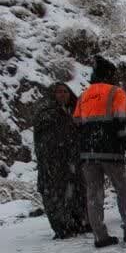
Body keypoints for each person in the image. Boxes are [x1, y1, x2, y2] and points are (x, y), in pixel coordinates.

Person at [73, 56, 126, 248]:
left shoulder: (83, 96)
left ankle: (100, 236)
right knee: (122, 190)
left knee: (94, 194)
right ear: (109, 74)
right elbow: (122, 123)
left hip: (88, 152)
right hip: (111, 151)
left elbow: (77, 125)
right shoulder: (116, 92)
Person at [33, 83, 89, 239]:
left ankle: (81, 222)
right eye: (58, 92)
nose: (62, 94)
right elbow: (46, 139)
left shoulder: (75, 110)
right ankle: (63, 227)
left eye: (65, 91)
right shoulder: (46, 113)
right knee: (56, 195)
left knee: (78, 191)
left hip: (74, 160)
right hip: (53, 162)